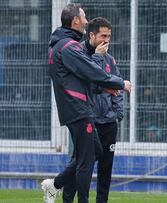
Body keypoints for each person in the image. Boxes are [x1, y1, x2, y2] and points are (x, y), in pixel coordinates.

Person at [41, 4, 131, 203]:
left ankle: (55, 184)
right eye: (83, 17)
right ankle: (67, 194)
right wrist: (120, 83)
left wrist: (109, 93)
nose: (85, 20)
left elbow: (84, 77)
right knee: (85, 161)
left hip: (79, 109)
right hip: (79, 109)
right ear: (75, 21)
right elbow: (91, 72)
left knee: (93, 154)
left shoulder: (64, 45)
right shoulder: (69, 46)